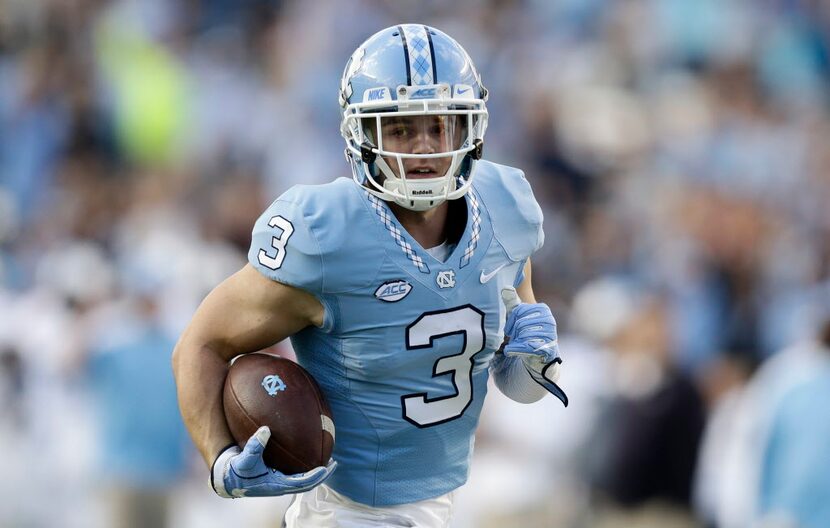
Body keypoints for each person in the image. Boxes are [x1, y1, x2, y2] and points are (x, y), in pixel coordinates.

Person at [172, 23, 567, 527]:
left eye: (439, 126)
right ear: (363, 134)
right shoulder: (326, 234)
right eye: (401, 128)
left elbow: (520, 382)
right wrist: (221, 460)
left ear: (470, 129)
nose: (424, 147)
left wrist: (532, 363)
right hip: (348, 512)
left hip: (445, 502)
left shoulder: (505, 210)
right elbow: (200, 344)